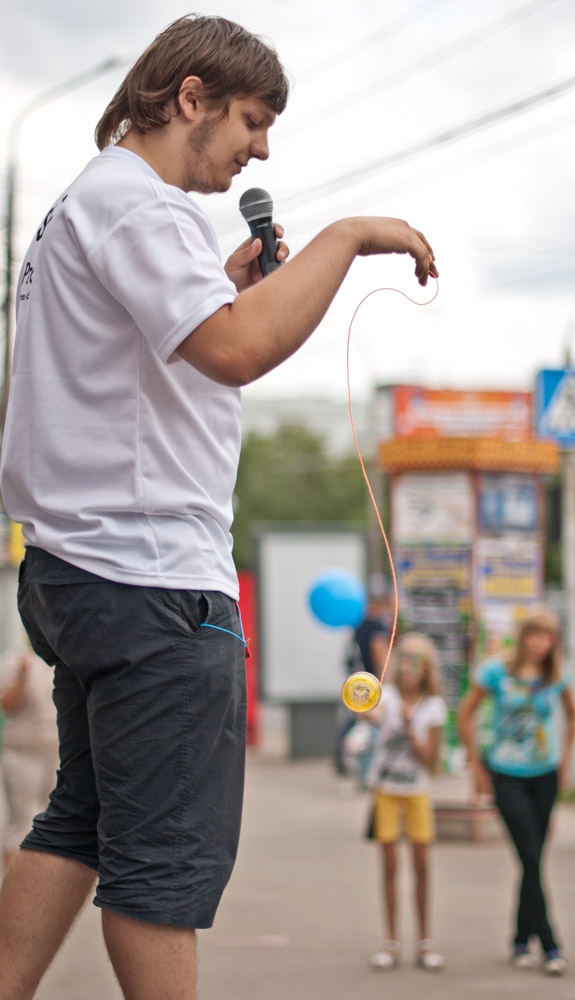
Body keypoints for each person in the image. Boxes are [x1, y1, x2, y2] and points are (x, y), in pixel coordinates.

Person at [0, 14, 437, 999]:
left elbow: (173, 351)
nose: (263, 149)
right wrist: (350, 235)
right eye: (252, 119)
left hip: (84, 569)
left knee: (79, 818)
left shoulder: (88, 206)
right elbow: (236, 351)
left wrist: (229, 286)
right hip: (150, 580)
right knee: (159, 870)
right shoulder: (140, 208)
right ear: (190, 96)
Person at [458, 609, 575, 976]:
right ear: (523, 636)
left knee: (534, 860)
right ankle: (551, 943)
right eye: (534, 635)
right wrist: (478, 770)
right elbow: (466, 715)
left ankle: (520, 939)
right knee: (528, 855)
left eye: (547, 637)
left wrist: (566, 760)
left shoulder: (555, 675)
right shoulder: (496, 671)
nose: (540, 643)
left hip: (545, 774)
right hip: (506, 774)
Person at [366, 632, 447, 972]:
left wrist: (412, 727)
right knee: (389, 867)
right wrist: (360, 703)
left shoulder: (433, 707)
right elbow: (367, 711)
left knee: (422, 867)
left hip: (417, 791)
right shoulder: (387, 697)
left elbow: (430, 760)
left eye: (416, 663)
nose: (408, 669)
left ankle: (425, 942)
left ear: (427, 668)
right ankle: (392, 941)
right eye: (404, 661)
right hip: (385, 790)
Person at [0, 645, 59, 872]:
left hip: (53, 750)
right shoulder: (16, 661)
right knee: (21, 819)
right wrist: (23, 676)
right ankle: (14, 887)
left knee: (57, 816)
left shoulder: (60, 661)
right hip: (22, 750)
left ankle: (45, 879)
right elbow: (7, 704)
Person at [334, 574, 390, 780]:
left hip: (355, 680)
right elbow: (379, 653)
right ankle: (354, 761)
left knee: (350, 720)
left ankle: (341, 759)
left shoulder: (358, 624)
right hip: (369, 683)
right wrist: (386, 679)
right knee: (363, 721)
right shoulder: (376, 626)